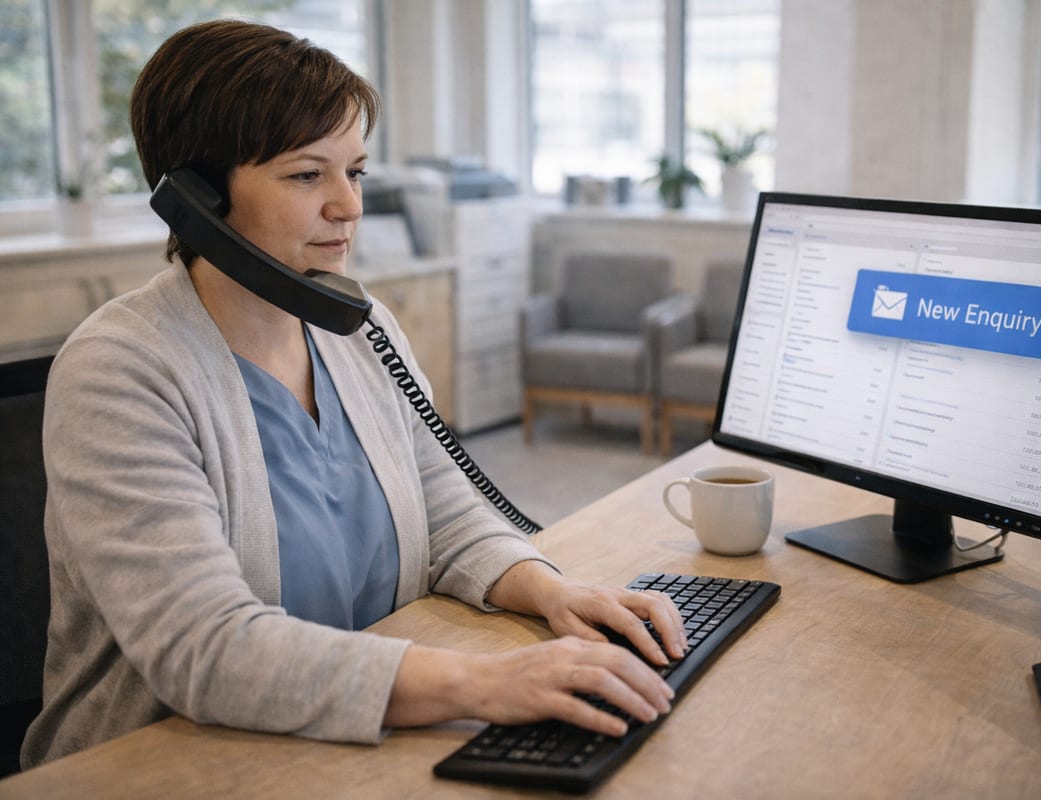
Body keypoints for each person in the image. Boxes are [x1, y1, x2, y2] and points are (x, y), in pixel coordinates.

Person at [21, 19, 685, 769]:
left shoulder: (359, 331)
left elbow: (444, 513)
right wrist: (485, 682)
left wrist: (549, 591)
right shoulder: (120, 371)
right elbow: (201, 646)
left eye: (356, 172)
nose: (349, 206)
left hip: (354, 742)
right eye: (309, 175)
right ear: (195, 198)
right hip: (168, 764)